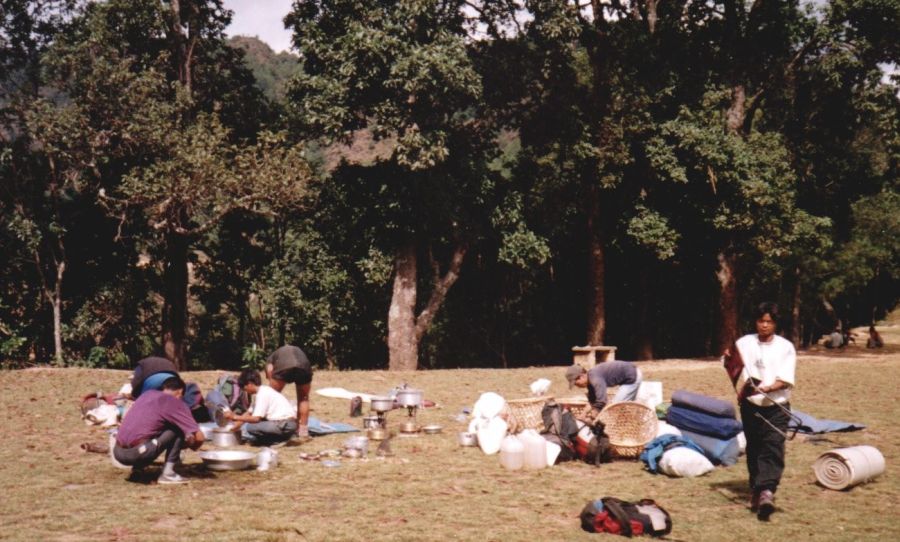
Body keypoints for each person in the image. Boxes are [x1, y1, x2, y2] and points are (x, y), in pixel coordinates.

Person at [726, 301, 796, 521]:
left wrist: (768, 387)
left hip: (776, 405)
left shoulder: (785, 347)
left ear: (775, 324)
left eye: (769, 321)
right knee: (754, 447)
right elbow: (730, 362)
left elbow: (785, 380)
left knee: (773, 446)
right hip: (751, 405)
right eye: (761, 321)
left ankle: (767, 492)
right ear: (755, 322)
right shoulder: (745, 343)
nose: (764, 325)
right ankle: (756, 489)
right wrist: (731, 364)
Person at [113, 375, 205, 484]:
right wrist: (190, 445)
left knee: (151, 429)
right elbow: (199, 437)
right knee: (177, 429)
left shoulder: (147, 394)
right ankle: (168, 474)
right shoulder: (174, 402)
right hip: (138, 453)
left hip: (118, 452)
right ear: (180, 392)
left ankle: (138, 469)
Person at [225, 368, 298, 446]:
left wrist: (235, 417)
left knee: (251, 427)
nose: (245, 391)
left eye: (244, 388)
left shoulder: (262, 394)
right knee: (253, 426)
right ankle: (278, 439)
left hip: (285, 424)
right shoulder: (260, 393)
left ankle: (277, 440)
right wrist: (235, 427)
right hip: (287, 424)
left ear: (250, 383)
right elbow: (249, 413)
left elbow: (256, 419)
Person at [564, 360, 643, 420]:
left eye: (576, 383)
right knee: (621, 408)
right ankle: (629, 423)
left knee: (615, 407)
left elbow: (601, 402)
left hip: (632, 377)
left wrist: (592, 418)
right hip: (629, 375)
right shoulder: (591, 380)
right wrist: (583, 415)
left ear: (581, 376)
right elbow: (592, 401)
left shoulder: (594, 379)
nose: (577, 386)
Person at [265, 345, 313, 439]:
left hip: (284, 366)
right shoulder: (288, 351)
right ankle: (303, 431)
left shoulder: (270, 359)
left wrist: (272, 384)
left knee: (271, 395)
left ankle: (270, 424)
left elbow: (270, 370)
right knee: (304, 398)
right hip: (303, 365)